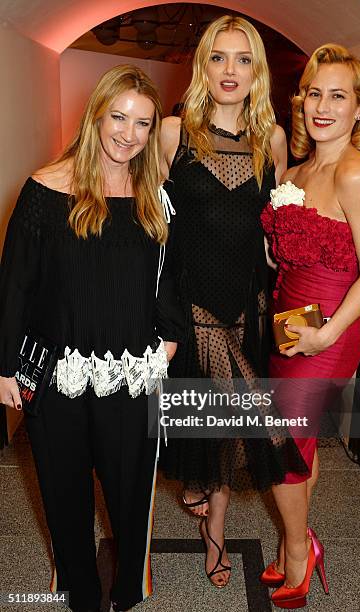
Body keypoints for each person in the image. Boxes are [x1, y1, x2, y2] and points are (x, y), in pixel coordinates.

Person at [0, 65, 184, 612]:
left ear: (153, 132)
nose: (128, 134)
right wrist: (6, 367)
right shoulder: (44, 189)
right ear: (96, 116)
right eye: (118, 117)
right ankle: (80, 592)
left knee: (131, 495)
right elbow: (16, 285)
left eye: (143, 123)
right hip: (58, 374)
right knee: (64, 493)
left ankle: (128, 591)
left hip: (131, 372)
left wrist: (170, 338)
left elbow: (168, 274)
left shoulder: (155, 194)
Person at [160, 15, 308, 588]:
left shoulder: (271, 140)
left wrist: (288, 253)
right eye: (219, 57)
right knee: (254, 422)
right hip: (189, 305)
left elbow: (269, 231)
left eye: (242, 59)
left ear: (257, 71)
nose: (230, 69)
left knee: (219, 435)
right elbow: (151, 221)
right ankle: (295, 540)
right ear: (203, 65)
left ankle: (214, 538)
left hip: (245, 302)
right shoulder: (174, 134)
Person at [261, 44, 360, 608]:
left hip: (327, 331)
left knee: (281, 447)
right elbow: (288, 254)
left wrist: (328, 334)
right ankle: (299, 541)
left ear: (359, 109)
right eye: (315, 93)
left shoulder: (355, 172)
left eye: (338, 96)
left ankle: (297, 555)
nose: (322, 105)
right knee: (299, 447)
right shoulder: (298, 170)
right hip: (291, 323)